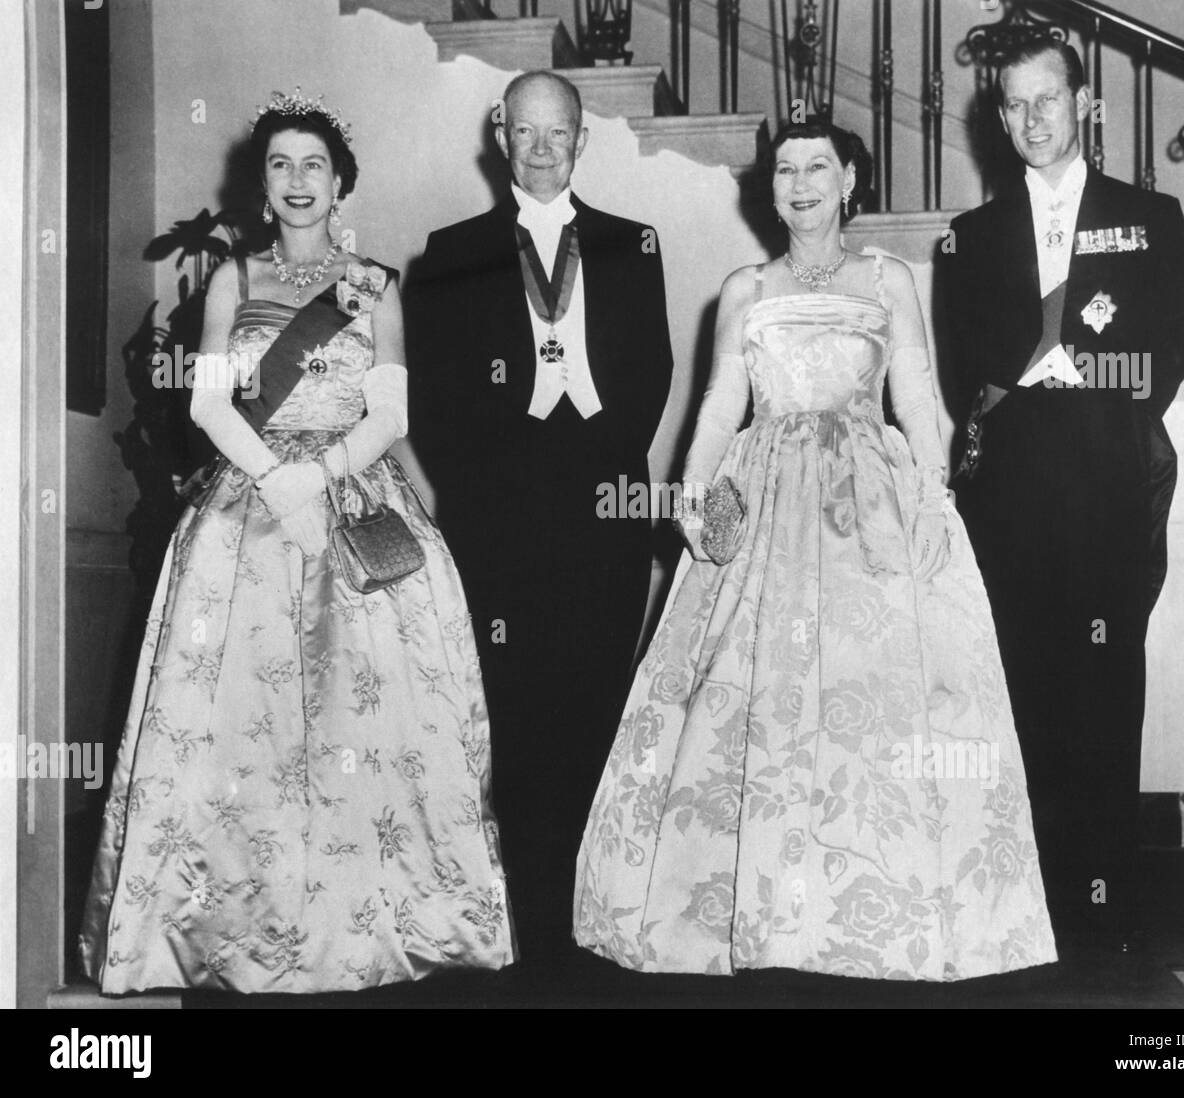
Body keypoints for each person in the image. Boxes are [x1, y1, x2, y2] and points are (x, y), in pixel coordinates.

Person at [573, 119, 1056, 980]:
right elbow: (722, 402)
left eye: (817, 168)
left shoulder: (887, 277)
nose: (799, 184)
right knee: (750, 695)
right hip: (764, 499)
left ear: (849, 181)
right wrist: (691, 490)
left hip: (868, 498)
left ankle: (879, 909)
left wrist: (933, 491)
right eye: (785, 170)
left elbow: (914, 389)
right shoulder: (745, 287)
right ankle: (757, 909)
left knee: (876, 692)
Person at [80, 90, 514, 994]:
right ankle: (229, 926)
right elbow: (206, 402)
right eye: (280, 165)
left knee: (374, 712)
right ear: (263, 187)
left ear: (339, 182)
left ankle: (371, 918)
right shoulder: (234, 280)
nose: (297, 180)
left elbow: (391, 412)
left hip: (355, 496)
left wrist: (318, 475)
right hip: (247, 508)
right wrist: (276, 477)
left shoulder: (376, 286)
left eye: (312, 163)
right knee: (240, 721)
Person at [405, 71, 672, 973]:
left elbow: (652, 374)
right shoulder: (449, 253)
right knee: (511, 705)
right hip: (500, 514)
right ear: (500, 135)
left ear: (582, 137)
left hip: (604, 504)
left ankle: (590, 914)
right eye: (527, 133)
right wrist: (503, 469)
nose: (544, 148)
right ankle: (520, 920)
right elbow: (435, 406)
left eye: (559, 133)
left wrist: (596, 450)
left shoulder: (633, 243)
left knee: (597, 694)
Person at [938, 39, 1184, 950]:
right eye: (1013, 106)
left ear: (1083, 102)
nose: (1032, 120)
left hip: (1110, 483)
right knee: (1021, 689)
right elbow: (965, 370)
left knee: (1105, 682)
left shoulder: (1152, 216)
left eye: (1048, 99)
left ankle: (1105, 902)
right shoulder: (971, 237)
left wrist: (1075, 377)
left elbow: (1165, 356)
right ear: (998, 117)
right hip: (1012, 496)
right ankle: (1028, 903)